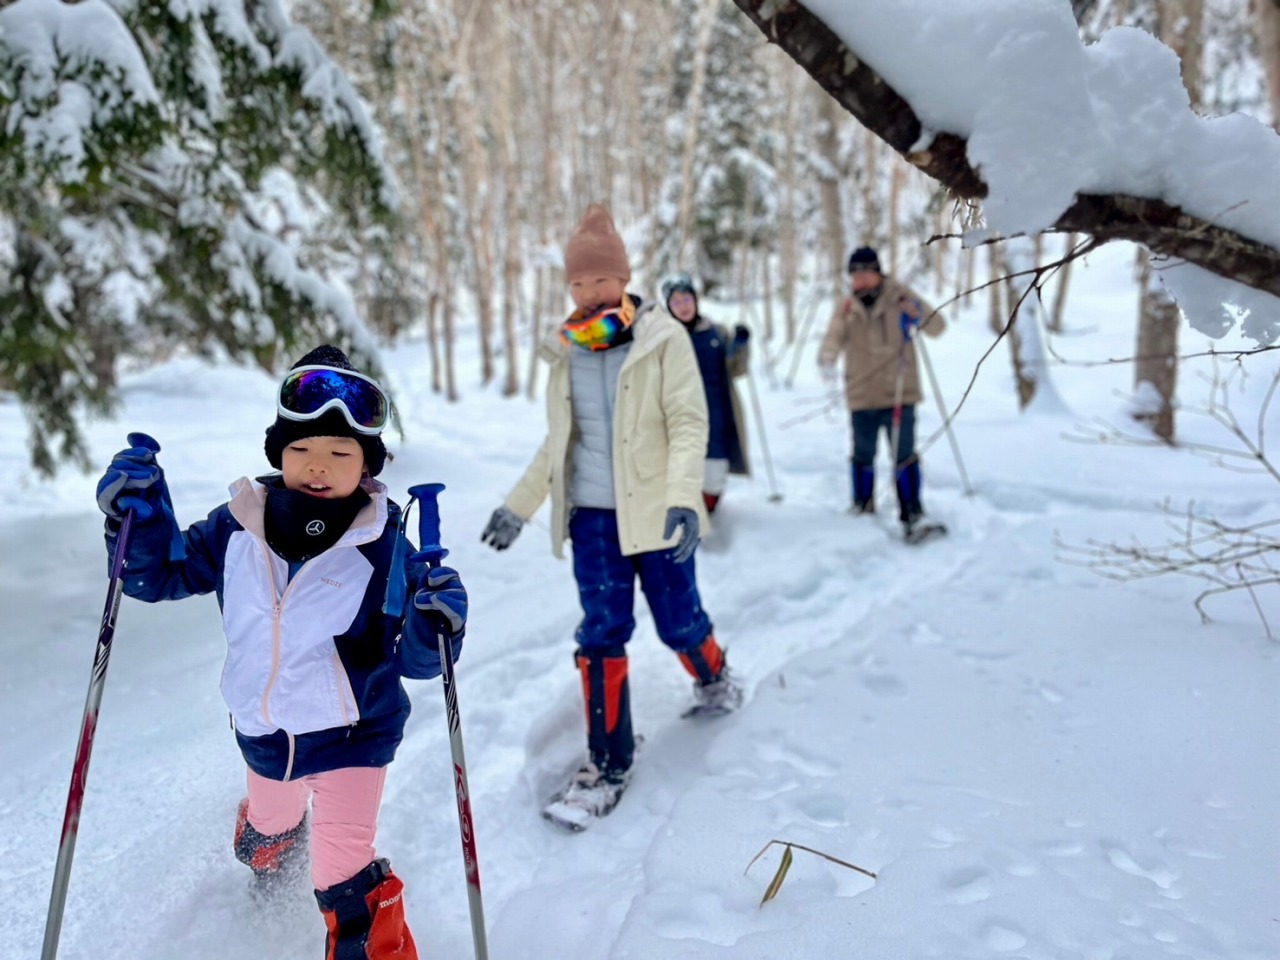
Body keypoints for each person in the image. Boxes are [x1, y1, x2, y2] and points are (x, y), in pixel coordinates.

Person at [94, 346, 467, 960]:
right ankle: (268, 857)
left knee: (344, 876)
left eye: (339, 453)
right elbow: (155, 577)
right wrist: (136, 520)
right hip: (264, 734)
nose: (318, 467)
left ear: (368, 466)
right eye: (301, 451)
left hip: (355, 738)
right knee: (269, 833)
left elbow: (421, 664)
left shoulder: (388, 547)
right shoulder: (237, 527)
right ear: (278, 454)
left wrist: (438, 625)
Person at [480, 204, 743, 829]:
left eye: (599, 280)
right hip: (592, 518)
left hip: (656, 510)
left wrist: (684, 496)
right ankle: (608, 761)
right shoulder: (566, 349)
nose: (588, 292)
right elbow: (558, 443)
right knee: (601, 631)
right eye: (577, 283)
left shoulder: (661, 338)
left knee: (679, 621)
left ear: (623, 278)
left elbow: (687, 422)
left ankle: (713, 676)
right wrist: (519, 507)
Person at [817, 246, 946, 534]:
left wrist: (917, 312)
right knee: (862, 454)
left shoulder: (900, 297)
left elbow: (938, 327)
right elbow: (833, 336)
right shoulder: (847, 306)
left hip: (898, 392)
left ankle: (911, 510)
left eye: (865, 272)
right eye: (854, 274)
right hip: (861, 394)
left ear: (877, 272)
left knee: (904, 453)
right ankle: (862, 506)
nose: (859, 280)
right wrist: (827, 358)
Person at [661, 273, 751, 514]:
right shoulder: (664, 338)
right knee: (684, 467)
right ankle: (689, 514)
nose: (682, 306)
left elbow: (737, 368)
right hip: (679, 416)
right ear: (669, 307)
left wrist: (740, 345)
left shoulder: (716, 333)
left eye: (686, 299)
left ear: (695, 300)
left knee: (713, 475)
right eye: (676, 302)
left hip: (716, 413)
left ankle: (707, 512)